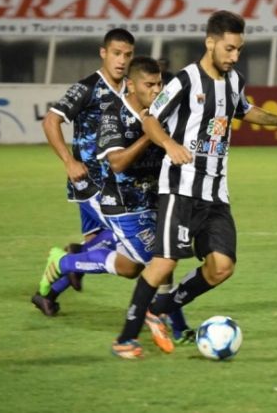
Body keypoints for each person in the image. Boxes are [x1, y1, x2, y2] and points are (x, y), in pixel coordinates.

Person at [110, 10, 277, 359]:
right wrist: (170, 145)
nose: (235, 57)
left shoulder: (234, 81)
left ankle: (160, 307)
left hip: (216, 193)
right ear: (210, 42)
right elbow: (151, 120)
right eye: (229, 49)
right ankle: (126, 338)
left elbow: (245, 109)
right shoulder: (185, 81)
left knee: (222, 266)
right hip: (179, 188)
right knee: (164, 263)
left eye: (239, 50)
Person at [35, 56, 194, 344]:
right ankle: (179, 328)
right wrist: (149, 135)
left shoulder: (158, 112)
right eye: (149, 84)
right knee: (161, 261)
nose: (157, 90)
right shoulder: (112, 114)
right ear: (131, 86)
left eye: (159, 84)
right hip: (122, 206)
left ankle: (67, 262)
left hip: (152, 200)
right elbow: (118, 163)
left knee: (131, 268)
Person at [32, 29, 135, 316]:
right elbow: (51, 121)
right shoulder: (87, 87)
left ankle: (47, 294)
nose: (121, 60)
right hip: (88, 181)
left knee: (96, 247)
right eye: (116, 53)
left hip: (116, 182)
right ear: (103, 53)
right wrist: (68, 161)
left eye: (127, 55)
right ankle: (72, 256)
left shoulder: (130, 88)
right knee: (125, 237)